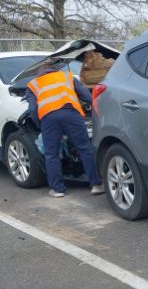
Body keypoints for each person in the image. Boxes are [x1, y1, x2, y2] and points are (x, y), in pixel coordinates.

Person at [25, 61, 105, 198]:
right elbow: (87, 96)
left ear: (40, 73)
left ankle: (58, 190)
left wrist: (41, 124)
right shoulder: (67, 77)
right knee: (85, 149)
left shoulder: (33, 84)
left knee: (52, 154)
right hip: (71, 114)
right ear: (54, 70)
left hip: (49, 119)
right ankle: (96, 185)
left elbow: (32, 109)